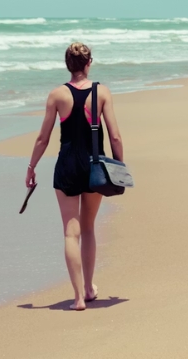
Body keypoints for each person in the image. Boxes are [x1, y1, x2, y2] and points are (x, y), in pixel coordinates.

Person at [25, 42, 124, 311]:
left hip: (67, 166)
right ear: (89, 63)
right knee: (89, 227)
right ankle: (90, 289)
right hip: (94, 166)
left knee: (71, 233)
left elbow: (42, 138)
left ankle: (78, 297)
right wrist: (119, 167)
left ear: (68, 64)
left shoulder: (57, 95)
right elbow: (114, 135)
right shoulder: (101, 92)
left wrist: (31, 167)